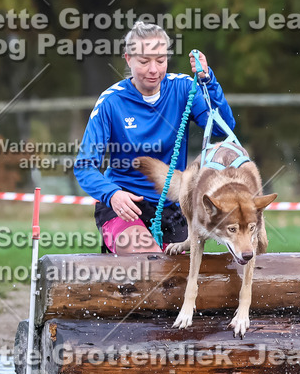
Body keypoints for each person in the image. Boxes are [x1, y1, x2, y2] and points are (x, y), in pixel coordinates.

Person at [74, 21, 237, 255]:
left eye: (160, 60)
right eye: (144, 61)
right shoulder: (111, 102)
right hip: (125, 205)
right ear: (128, 59)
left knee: (179, 273)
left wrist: (208, 81)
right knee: (148, 262)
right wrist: (113, 195)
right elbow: (84, 165)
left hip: (172, 208)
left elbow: (223, 129)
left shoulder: (183, 88)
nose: (154, 69)